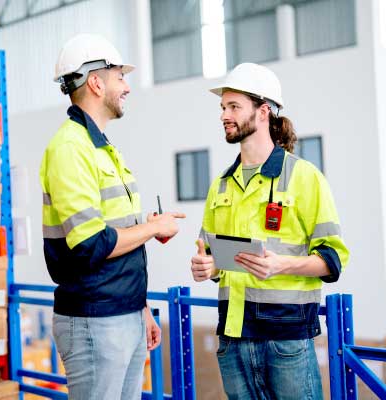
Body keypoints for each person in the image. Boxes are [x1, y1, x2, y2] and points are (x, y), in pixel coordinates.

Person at [190, 62, 349, 400]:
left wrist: (282, 264)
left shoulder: (305, 178)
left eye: (234, 106)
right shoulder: (221, 185)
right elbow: (215, 257)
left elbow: (333, 259)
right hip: (232, 338)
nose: (223, 115)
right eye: (222, 107)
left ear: (263, 112)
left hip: (285, 340)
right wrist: (209, 268)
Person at [40, 33, 185, 400]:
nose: (127, 87)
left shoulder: (102, 148)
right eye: (121, 76)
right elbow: (90, 244)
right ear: (96, 82)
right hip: (94, 320)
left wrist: (142, 309)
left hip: (123, 314)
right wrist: (151, 228)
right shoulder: (70, 148)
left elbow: (118, 233)